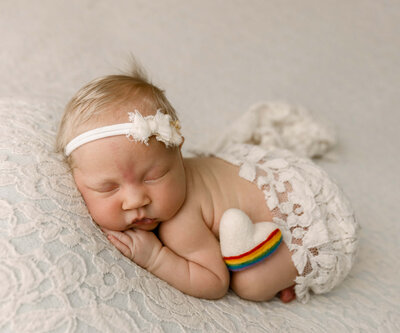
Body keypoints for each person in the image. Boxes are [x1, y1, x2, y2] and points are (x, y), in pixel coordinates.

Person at [55, 67, 359, 303]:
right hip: (286, 181)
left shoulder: (179, 223)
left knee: (250, 285)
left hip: (310, 225)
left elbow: (213, 283)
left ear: (178, 151)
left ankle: (286, 270)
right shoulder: (152, 184)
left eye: (153, 177)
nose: (135, 200)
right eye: (108, 188)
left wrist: (155, 257)